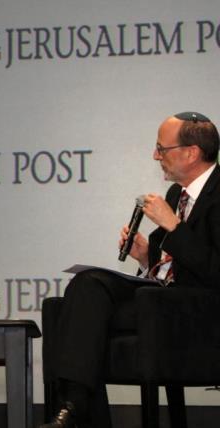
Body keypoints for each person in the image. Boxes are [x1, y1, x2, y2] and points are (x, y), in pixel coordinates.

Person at [41, 111, 220, 428]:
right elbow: (171, 267)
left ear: (191, 152)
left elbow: (213, 268)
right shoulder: (176, 194)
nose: (155, 156)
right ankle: (74, 406)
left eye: (161, 149)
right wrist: (144, 257)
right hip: (161, 303)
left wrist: (173, 227)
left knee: (104, 312)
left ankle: (75, 408)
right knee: (88, 283)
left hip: (200, 312)